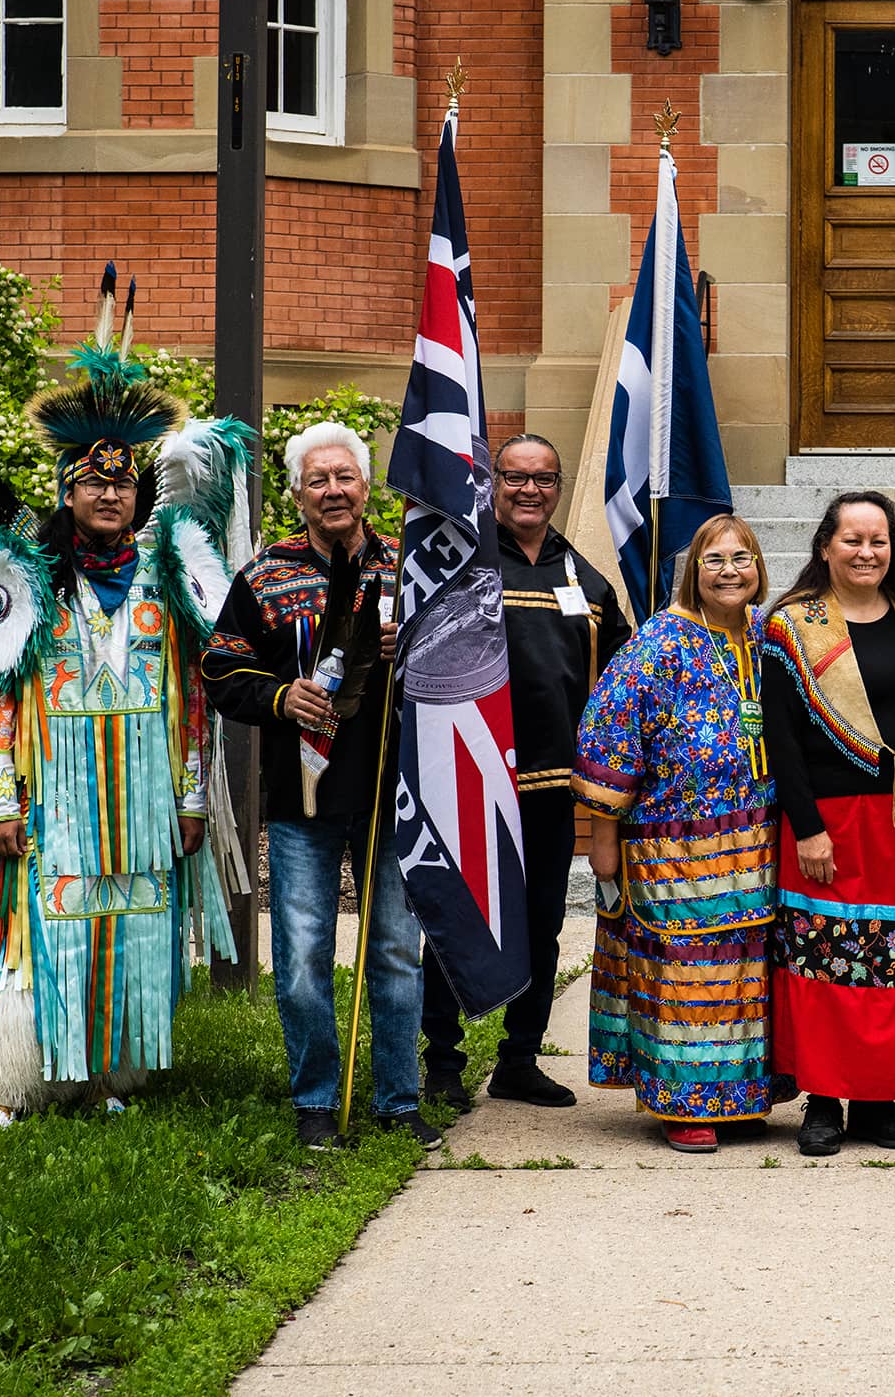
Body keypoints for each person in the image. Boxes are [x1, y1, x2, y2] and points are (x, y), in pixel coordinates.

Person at [0, 334, 244, 1126]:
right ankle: (7, 1084)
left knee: (129, 922)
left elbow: (191, 700)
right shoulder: (28, 579)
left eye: (120, 487)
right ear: (68, 492)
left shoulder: (166, 578)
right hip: (53, 795)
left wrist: (190, 799)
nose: (109, 497)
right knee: (34, 931)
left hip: (142, 794)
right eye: (92, 485)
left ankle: (105, 1075)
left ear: (135, 497)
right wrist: (1, 798)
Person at [203, 423, 438, 1152]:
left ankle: (400, 1101)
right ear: (298, 494)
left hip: (396, 796)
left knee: (397, 950)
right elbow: (219, 666)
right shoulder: (267, 574)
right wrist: (281, 697)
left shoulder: (414, 567)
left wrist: (418, 644)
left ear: (367, 487)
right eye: (318, 479)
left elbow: (472, 660)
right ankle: (315, 1101)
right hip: (302, 797)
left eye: (345, 477)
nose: (333, 490)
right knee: (304, 954)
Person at [418, 433, 632, 1112]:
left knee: (540, 924)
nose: (529, 490)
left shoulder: (585, 579)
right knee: (457, 918)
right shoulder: (463, 566)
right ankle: (441, 1060)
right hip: (468, 782)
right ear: (494, 484)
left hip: (547, 788)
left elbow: (622, 680)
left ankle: (519, 1057)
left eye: (543, 479)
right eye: (514, 478)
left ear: (559, 487)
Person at [569, 514, 779, 1153]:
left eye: (742, 559)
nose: (730, 571)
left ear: (759, 568)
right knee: (685, 974)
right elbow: (609, 731)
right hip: (672, 846)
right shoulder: (659, 642)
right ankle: (685, 1104)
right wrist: (604, 839)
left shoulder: (770, 638)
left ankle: (740, 1097)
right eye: (714, 560)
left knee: (748, 976)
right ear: (693, 572)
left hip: (755, 843)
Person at [759, 492, 895, 1157]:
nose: (866, 552)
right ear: (824, 547)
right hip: (831, 823)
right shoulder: (794, 623)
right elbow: (780, 737)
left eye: (878, 540)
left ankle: (876, 1097)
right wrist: (806, 825)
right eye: (852, 540)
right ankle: (823, 1097)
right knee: (826, 963)